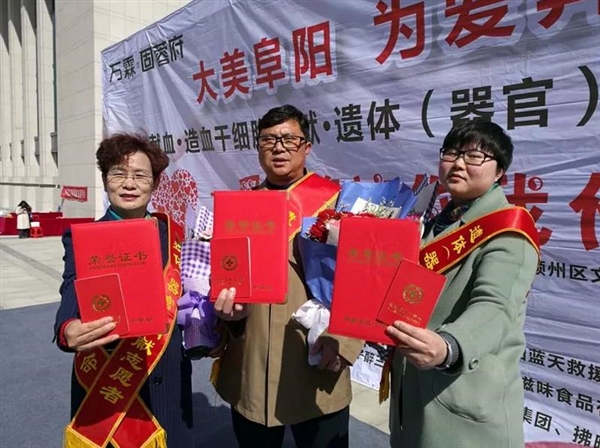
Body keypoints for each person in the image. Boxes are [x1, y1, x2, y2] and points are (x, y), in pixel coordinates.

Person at [213, 104, 364, 448]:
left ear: (306, 147)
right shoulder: (239, 208)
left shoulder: (337, 202)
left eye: (289, 139)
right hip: (251, 366)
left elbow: (364, 279)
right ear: (258, 148)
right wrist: (228, 319)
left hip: (315, 360)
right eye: (269, 140)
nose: (278, 148)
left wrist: (346, 342)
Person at [386, 120, 540, 448]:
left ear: (499, 172)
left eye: (474, 156)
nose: (458, 163)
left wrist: (450, 347)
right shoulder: (434, 223)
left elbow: (495, 307)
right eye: (452, 153)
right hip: (412, 390)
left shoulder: (509, 231)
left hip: (462, 394)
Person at [53, 133, 193, 447]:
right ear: (105, 181)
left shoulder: (173, 234)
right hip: (107, 372)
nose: (129, 184)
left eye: (140, 176)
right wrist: (66, 327)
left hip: (165, 370)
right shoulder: (83, 237)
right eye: (118, 174)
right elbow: (72, 284)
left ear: (155, 183)